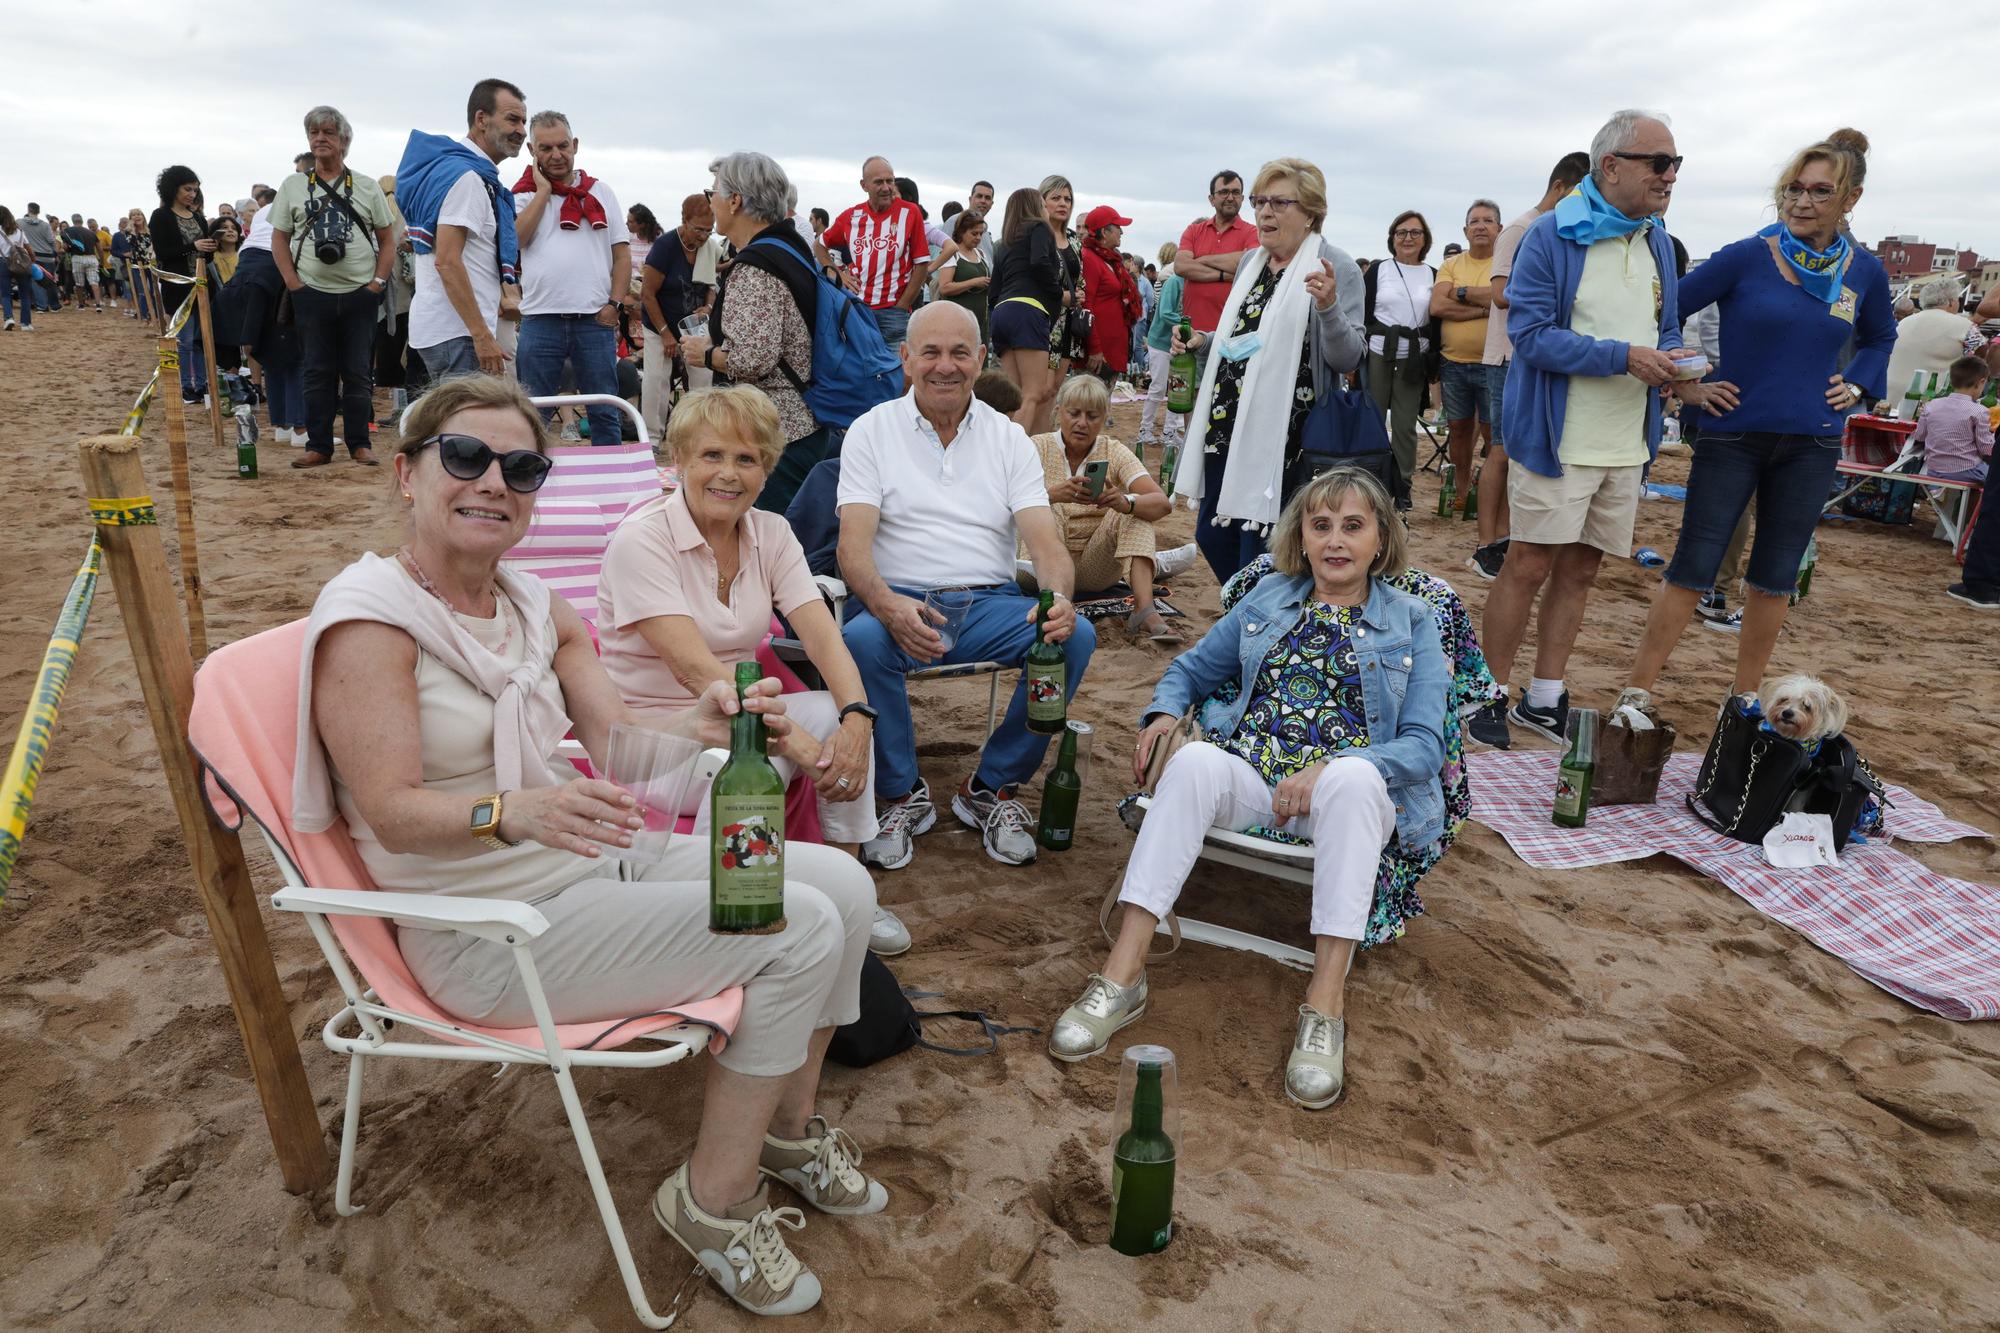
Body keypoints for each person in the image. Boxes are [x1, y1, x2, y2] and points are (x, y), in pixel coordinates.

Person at [305, 374, 881, 1318]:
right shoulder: (373, 621)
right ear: (408, 474)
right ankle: (711, 1203)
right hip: (487, 929)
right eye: (465, 457)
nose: (494, 482)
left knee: (845, 888)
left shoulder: (535, 606)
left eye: (521, 467)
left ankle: (784, 1128)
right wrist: (512, 811)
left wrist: (701, 726)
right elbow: (393, 811)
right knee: (797, 926)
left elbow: (618, 751)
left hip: (590, 861)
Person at [1048, 468, 1447, 1109]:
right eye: (1321, 526)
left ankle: (1324, 1005)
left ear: (1380, 540)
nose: (1336, 541)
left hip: (1347, 802)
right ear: (1302, 536)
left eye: (1353, 526)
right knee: (1196, 764)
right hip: (1258, 780)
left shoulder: (1413, 621)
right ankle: (1122, 975)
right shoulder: (1268, 599)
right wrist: (1160, 713)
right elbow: (1189, 668)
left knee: (1349, 777)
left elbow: (1425, 745)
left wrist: (1328, 768)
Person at [596, 385, 911, 955]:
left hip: (744, 718)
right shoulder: (641, 540)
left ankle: (846, 885)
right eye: (711, 455)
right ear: (679, 463)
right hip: (657, 741)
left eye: (747, 459)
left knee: (838, 718)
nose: (728, 474)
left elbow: (821, 635)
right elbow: (695, 670)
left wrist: (859, 719)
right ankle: (731, 900)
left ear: (767, 470)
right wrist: (795, 742)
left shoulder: (769, 532)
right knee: (767, 751)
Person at [1620, 129, 1896, 712]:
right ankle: (1637, 691)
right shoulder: (1748, 254)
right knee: (1693, 565)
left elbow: (1880, 336)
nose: (1801, 201)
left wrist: (1860, 383)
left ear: (1852, 199)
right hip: (1732, 434)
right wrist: (1687, 383)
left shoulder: (1864, 272)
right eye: (1793, 188)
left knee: (1774, 576)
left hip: (1813, 442)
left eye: (1820, 191)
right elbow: (1666, 310)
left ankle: (1745, 700)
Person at [837, 302, 1097, 868]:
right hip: (899, 598)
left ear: (981, 360)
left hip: (990, 605)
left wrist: (1058, 600)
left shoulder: (1009, 439)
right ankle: (903, 794)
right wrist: (886, 606)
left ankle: (991, 788)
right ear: (905, 359)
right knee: (859, 640)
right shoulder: (870, 432)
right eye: (929, 352)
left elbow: (1047, 546)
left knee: (1072, 637)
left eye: (960, 352)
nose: (944, 366)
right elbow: (852, 550)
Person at [1472, 110, 1692, 749]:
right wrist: (1623, 357)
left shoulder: (1654, 240)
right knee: (1527, 562)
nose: (1670, 174)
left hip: (1626, 440)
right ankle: (1487, 692)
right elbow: (1531, 336)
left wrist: (1678, 365)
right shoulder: (1551, 235)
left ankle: (1545, 697)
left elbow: (1665, 327)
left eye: (1677, 163)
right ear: (1611, 166)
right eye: (1659, 162)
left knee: (1584, 569)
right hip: (1558, 434)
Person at [1169, 157, 1367, 583]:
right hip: (1227, 423)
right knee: (1212, 531)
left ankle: (1256, 631)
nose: (1264, 212)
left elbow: (1348, 358)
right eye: (1260, 201)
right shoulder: (1251, 265)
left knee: (1261, 545)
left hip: (1288, 436)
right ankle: (1250, 614)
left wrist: (1329, 307)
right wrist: (1204, 340)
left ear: (1311, 212)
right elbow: (1250, 340)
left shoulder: (1336, 267)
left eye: (1279, 202)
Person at [680, 151, 836, 517]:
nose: (710, 202)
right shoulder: (789, 248)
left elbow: (752, 360)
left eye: (713, 193)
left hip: (775, 431)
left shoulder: (756, 268)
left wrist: (703, 353)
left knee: (767, 544)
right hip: (801, 421)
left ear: (734, 201)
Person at [1473, 151, 1593, 583]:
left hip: (1532, 356)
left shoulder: (1561, 230)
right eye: (1582, 193)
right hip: (1508, 353)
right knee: (1501, 450)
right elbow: (1502, 292)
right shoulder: (1521, 229)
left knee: (1518, 452)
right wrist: (1552, 294)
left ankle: (1504, 536)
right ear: (1561, 187)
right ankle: (1486, 543)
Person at [272, 106, 397, 469]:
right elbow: (279, 240)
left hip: (360, 294)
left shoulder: (367, 186)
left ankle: (360, 443)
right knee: (316, 371)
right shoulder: (293, 186)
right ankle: (319, 445)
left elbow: (387, 240)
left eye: (327, 132)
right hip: (311, 294)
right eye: (313, 133)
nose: (319, 139)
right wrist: (294, 284)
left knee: (358, 371)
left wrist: (376, 283)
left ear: (344, 140)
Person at [510, 110, 631, 449]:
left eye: (562, 145)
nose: (556, 154)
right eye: (546, 148)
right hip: (539, 319)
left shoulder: (602, 192)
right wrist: (543, 192)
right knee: (532, 414)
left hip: (595, 319)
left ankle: (610, 487)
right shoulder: (522, 194)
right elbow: (516, 240)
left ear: (575, 145)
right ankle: (527, 485)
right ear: (532, 152)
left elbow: (621, 256)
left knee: (605, 410)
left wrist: (615, 305)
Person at [1028, 375, 1180, 642]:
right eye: (1074, 413)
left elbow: (1161, 503)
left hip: (1094, 565)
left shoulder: (1112, 449)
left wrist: (1124, 502)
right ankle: (1055, 600)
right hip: (1043, 563)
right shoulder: (1036, 446)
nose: (1082, 423)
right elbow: (998, 502)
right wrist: (1051, 494)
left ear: (1105, 418)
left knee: (1135, 511)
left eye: (1092, 416)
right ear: (1058, 411)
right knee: (1046, 508)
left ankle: (1144, 609)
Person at [401, 77, 528, 382]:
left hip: (450, 330)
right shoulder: (468, 178)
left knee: (457, 424)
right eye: (512, 119)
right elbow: (446, 260)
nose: (521, 131)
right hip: (458, 335)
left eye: (523, 121)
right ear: (481, 119)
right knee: (464, 427)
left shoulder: (461, 171)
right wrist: (481, 335)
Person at [812, 156, 929, 347]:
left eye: (889, 181)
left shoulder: (910, 212)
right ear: (864, 185)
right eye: (878, 182)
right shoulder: (851, 216)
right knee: (861, 370)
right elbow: (819, 245)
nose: (886, 187)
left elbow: (922, 264)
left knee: (896, 371)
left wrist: (902, 305)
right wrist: (838, 273)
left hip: (894, 312)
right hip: (858, 310)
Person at [1364, 210, 1439, 506]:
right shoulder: (1378, 269)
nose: (1408, 238)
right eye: (1401, 232)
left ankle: (1403, 483)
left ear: (1425, 239)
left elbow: (1436, 319)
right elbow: (1364, 311)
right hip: (1379, 352)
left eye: (1415, 233)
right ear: (1392, 238)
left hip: (1414, 358)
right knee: (1373, 418)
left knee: (1406, 424)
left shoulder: (1433, 273)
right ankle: (1370, 479)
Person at [1432, 201, 1502, 505]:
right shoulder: (1452, 265)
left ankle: (1490, 493)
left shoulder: (1507, 262)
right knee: (1458, 429)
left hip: (1494, 364)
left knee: (1492, 433)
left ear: (1500, 228)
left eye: (1488, 221)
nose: (1481, 226)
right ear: (1465, 230)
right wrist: (1485, 307)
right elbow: (1437, 306)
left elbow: (1504, 296)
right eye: (1474, 221)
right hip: (1453, 362)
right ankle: (1461, 491)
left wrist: (1462, 294)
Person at [1173, 170, 1260, 384]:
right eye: (1223, 192)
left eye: (1235, 192)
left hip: (1233, 338)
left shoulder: (1253, 233)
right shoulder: (1194, 231)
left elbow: (1249, 264)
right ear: (1211, 199)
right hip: (1192, 336)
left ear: (1242, 198)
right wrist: (1226, 274)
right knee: (1190, 403)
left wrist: (1201, 259)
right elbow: (1181, 265)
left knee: (1227, 408)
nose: (1230, 197)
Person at [989, 187, 1065, 431]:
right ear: (1035, 208)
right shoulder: (1039, 228)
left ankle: (1002, 449)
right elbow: (1040, 261)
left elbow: (994, 290)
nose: (1046, 210)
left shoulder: (1004, 243)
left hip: (1002, 313)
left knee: (1016, 395)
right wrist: (1057, 293)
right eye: (1043, 205)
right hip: (1028, 311)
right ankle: (1017, 455)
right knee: (1034, 393)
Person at [638, 195, 711, 440]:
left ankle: (700, 433)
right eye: (698, 229)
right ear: (684, 221)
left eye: (709, 230)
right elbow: (647, 294)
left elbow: (712, 284)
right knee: (657, 377)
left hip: (693, 324)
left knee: (703, 376)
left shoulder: (709, 247)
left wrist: (708, 306)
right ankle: (652, 437)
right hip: (659, 321)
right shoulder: (665, 246)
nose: (703, 236)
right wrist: (665, 333)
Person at [149, 166, 218, 405]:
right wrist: (194, 246)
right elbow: (163, 253)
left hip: (201, 285)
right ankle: (184, 386)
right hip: (178, 288)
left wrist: (210, 248)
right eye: (187, 189)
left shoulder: (198, 217)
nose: (192, 194)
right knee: (185, 340)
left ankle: (201, 384)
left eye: (195, 189)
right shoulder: (161, 216)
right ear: (173, 188)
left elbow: (205, 254)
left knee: (201, 339)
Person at [1884, 277, 1983, 403]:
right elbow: (1981, 359)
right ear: (1951, 302)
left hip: (1890, 396)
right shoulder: (1966, 326)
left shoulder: (1903, 323)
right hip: (1929, 402)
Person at [1035, 175, 1083, 427]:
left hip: (1068, 326)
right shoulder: (1035, 235)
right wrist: (1061, 296)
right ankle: (1028, 447)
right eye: (1056, 198)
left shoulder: (1074, 240)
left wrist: (1078, 295)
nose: (1063, 203)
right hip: (1042, 322)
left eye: (1068, 198)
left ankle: (1042, 446)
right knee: (1039, 391)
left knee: (1054, 392)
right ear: (1042, 201)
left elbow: (1079, 277)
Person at [1079, 205, 1143, 383]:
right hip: (1100, 352)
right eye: (1118, 227)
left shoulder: (1110, 260)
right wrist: (1095, 348)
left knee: (1100, 406)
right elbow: (1086, 306)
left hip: (1112, 347)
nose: (1121, 232)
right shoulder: (1090, 258)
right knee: (1091, 406)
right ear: (1104, 232)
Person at [1137, 241, 1187, 453]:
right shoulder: (1174, 282)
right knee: (1157, 387)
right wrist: (1188, 323)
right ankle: (1145, 429)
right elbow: (1165, 312)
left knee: (1178, 390)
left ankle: (1169, 432)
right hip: (1161, 342)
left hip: (1182, 344)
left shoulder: (1192, 283)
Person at [375, 174, 417, 418]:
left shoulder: (378, 214)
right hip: (411, 297)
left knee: (390, 356)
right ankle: (408, 410)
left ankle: (398, 410)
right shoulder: (409, 212)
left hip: (385, 300)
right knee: (410, 358)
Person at [1912, 356, 1992, 483]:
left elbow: (1920, 436)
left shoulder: (1931, 405)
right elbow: (1986, 448)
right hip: (1967, 470)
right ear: (1980, 382)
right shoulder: (1980, 411)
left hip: (1933, 470)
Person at [933, 209, 991, 345]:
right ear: (961, 232)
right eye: (974, 233)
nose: (978, 237)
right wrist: (973, 282)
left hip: (980, 321)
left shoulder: (980, 254)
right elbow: (944, 288)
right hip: (956, 321)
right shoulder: (952, 254)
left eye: (980, 234)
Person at [18, 204, 59, 313]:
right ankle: (55, 305)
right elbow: (51, 241)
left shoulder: (19, 223)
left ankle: (42, 306)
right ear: (39, 211)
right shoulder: (45, 225)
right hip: (48, 256)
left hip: (32, 256)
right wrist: (55, 253)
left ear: (28, 210)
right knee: (50, 280)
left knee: (36, 281)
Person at [0, 208, 34, 332]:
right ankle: (26, 324)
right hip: (21, 263)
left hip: (3, 262)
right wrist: (32, 261)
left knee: (5, 293)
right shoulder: (19, 231)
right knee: (25, 294)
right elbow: (28, 248)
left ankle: (9, 318)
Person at [64, 213, 104, 310]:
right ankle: (98, 304)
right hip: (91, 257)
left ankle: (81, 305)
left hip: (77, 258)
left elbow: (65, 246)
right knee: (94, 281)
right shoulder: (91, 233)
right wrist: (102, 261)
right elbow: (100, 249)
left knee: (79, 283)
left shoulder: (67, 231)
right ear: (82, 221)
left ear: (72, 221)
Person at [966, 181, 997, 266]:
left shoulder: (986, 232)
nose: (983, 201)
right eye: (979, 196)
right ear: (970, 199)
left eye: (987, 198)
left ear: (991, 204)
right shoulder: (956, 221)